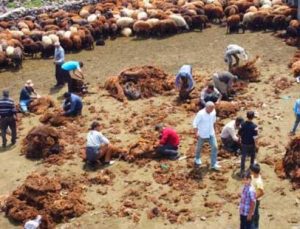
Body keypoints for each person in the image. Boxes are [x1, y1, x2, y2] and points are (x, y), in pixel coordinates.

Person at [193, 101, 220, 170]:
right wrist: (196, 133)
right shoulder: (200, 114)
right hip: (202, 134)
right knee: (199, 147)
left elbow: (214, 121)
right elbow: (195, 124)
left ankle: (213, 164)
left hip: (211, 133)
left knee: (215, 147)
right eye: (210, 109)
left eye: (212, 109)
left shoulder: (213, 111)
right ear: (206, 107)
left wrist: (215, 129)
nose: (211, 110)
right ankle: (197, 158)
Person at [238, 111, 258, 176]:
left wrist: (239, 140)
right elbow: (255, 137)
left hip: (244, 143)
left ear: (246, 116)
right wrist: (256, 145)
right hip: (251, 144)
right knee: (252, 156)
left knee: (243, 157)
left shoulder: (242, 124)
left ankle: (242, 171)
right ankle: (251, 169)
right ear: (253, 117)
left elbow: (239, 134)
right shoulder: (254, 126)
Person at [250, 163, 264, 229]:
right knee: (255, 214)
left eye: (251, 170)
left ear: (253, 171)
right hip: (253, 199)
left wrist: (254, 198)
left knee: (253, 215)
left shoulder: (258, 181)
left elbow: (262, 192)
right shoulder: (254, 176)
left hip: (255, 200)